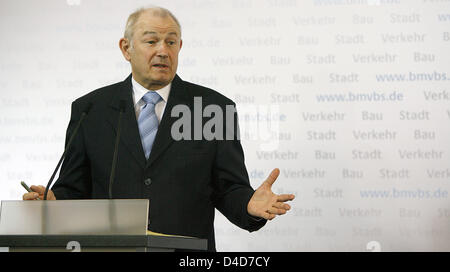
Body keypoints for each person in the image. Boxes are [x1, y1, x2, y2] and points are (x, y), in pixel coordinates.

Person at [22, 6, 295, 251]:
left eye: (171, 42)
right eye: (152, 41)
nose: (163, 50)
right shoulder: (89, 109)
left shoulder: (213, 108)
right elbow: (75, 189)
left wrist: (249, 205)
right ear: (126, 48)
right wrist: (54, 202)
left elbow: (229, 188)